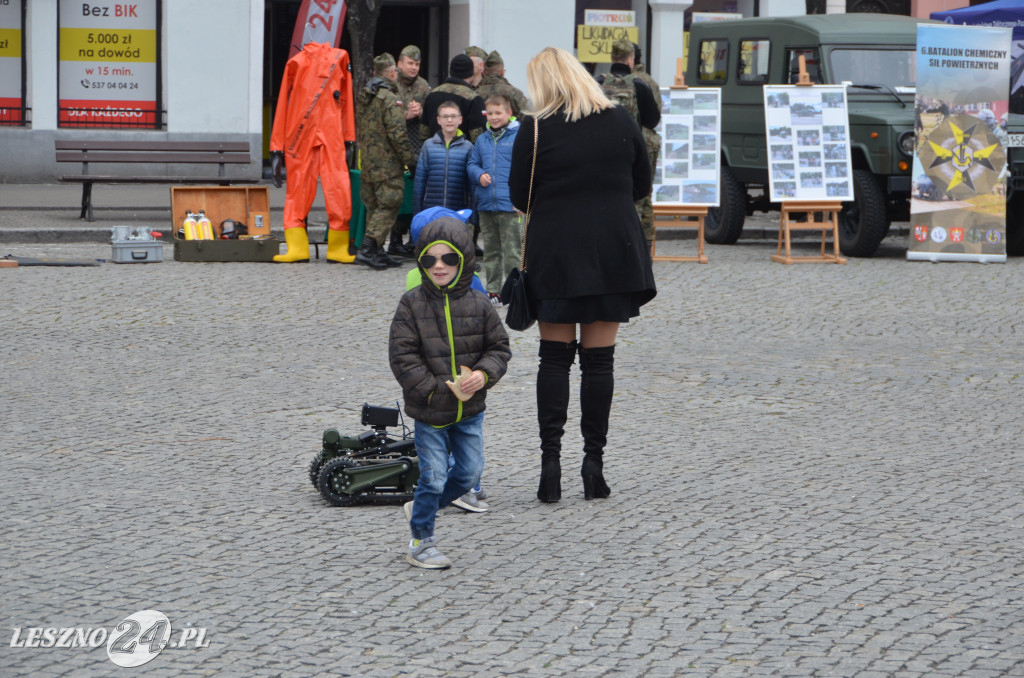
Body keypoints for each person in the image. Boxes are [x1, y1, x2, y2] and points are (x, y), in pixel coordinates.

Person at [509, 47, 656, 503]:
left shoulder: (533, 128)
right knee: (600, 363)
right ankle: (594, 465)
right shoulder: (619, 120)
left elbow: (520, 196)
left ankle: (549, 468)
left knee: (554, 359)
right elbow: (642, 186)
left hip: (556, 253)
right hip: (614, 252)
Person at [390, 215, 511, 569]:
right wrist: (433, 391)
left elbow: (499, 349)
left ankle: (425, 505)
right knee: (433, 477)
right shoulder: (410, 303)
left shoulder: (479, 303)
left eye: (448, 258)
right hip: (430, 411)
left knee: (470, 474)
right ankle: (420, 540)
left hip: (471, 411)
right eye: (429, 260)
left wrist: (483, 376)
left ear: (465, 259)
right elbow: (403, 357)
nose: (438, 266)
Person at [269, 41, 357, 263]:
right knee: (309, 189)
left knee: (335, 187)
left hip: (321, 132)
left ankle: (332, 248)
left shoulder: (340, 58)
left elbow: (346, 99)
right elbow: (283, 102)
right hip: (305, 133)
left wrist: (349, 137)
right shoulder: (296, 63)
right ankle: (303, 248)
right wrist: (277, 146)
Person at [354, 53, 418, 270]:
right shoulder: (390, 98)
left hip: (368, 161)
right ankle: (368, 248)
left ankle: (378, 253)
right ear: (392, 72)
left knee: (374, 206)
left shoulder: (365, 96)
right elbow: (398, 134)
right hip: (387, 163)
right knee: (389, 204)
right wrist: (410, 161)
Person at [597, 38, 661, 245]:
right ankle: (642, 243)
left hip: (602, 150)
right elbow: (653, 120)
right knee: (641, 197)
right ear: (631, 60)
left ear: (612, 58)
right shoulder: (639, 85)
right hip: (632, 151)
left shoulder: (597, 82)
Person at [467, 94, 522, 303]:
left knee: (513, 252)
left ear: (509, 113)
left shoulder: (518, 137)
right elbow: (472, 164)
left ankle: (514, 289)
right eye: (490, 113)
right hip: (487, 204)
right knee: (491, 251)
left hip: (511, 205)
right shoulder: (482, 139)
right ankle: (493, 290)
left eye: (498, 113)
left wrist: (522, 200)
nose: (494, 117)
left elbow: (525, 169)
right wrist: (478, 174)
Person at [413, 101, 473, 215]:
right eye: (445, 116)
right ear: (438, 120)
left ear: (460, 120)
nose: (449, 120)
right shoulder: (428, 145)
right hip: (431, 211)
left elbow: (472, 186)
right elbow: (419, 182)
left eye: (453, 116)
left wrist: (473, 216)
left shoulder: (468, 147)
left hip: (457, 211)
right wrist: (417, 213)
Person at [631, 42, 663, 243]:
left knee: (632, 192)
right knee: (646, 192)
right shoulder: (650, 81)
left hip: (633, 139)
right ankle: (647, 239)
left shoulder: (626, 82)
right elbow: (655, 114)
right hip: (649, 141)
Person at [421, 54, 487, 142]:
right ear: (471, 74)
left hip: (434, 152)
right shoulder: (474, 99)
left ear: (451, 72)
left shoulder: (432, 94)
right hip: (462, 153)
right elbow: (479, 136)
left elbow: (424, 130)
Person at [476, 50, 529, 118]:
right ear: (502, 72)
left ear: (483, 72)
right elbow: (526, 118)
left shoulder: (474, 93)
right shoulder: (515, 93)